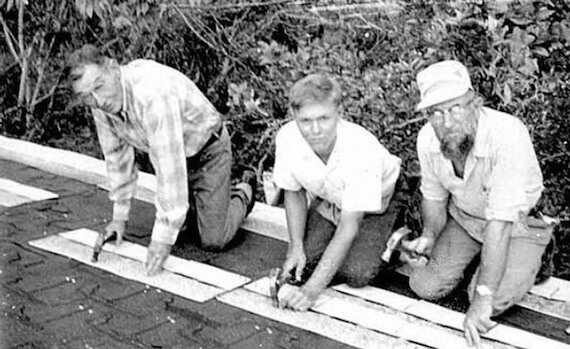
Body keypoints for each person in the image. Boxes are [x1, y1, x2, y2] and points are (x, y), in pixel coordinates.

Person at [67, 44, 256, 276]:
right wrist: (118, 219)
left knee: (213, 239)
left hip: (209, 151)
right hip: (179, 158)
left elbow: (168, 168)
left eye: (99, 86)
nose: (98, 100)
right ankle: (200, 203)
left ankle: (244, 190)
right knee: (181, 226)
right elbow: (117, 158)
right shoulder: (100, 104)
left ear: (113, 68)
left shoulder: (152, 94)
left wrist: (161, 242)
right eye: (87, 96)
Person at [402, 60, 552, 347]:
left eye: (456, 108)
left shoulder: (506, 135)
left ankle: (537, 254)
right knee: (423, 286)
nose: (447, 123)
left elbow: (499, 225)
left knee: (483, 302)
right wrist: (429, 237)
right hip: (467, 220)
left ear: (475, 103)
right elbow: (433, 197)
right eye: (435, 113)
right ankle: (482, 264)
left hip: (516, 225)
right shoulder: (427, 139)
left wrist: (483, 296)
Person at [272, 73, 402, 311]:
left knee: (358, 272)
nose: (315, 130)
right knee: (305, 261)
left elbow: (348, 226)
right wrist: (296, 246)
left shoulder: (360, 148)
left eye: (324, 119)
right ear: (293, 116)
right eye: (305, 121)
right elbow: (293, 192)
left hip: (378, 203)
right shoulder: (287, 138)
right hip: (332, 198)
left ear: (339, 114)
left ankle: (393, 236)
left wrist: (310, 291)